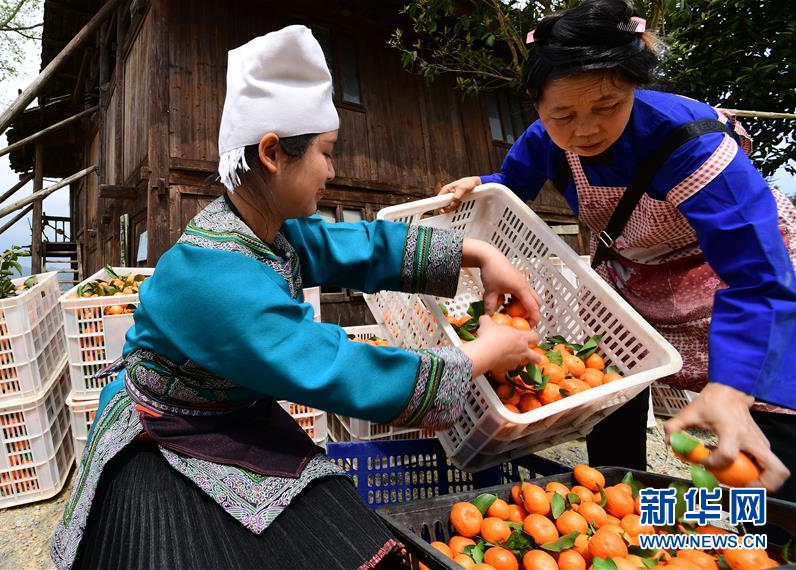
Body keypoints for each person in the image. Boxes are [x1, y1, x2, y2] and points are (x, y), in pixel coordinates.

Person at [52, 25, 543, 569]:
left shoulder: (269, 229)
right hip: (170, 436)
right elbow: (332, 367)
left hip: (235, 413)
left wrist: (480, 252)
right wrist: (481, 355)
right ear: (272, 153)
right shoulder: (212, 279)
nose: (332, 172)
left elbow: (356, 245)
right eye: (326, 154)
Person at [439, 0, 796, 497]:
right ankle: (620, 502)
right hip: (633, 278)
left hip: (728, 282)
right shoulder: (544, 139)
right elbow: (512, 184)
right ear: (535, 102)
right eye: (562, 114)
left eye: (608, 107)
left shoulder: (694, 145)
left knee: (766, 418)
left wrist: (734, 388)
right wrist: (479, 183)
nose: (584, 130)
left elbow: (759, 276)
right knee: (614, 385)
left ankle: (773, 526)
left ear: (634, 87)